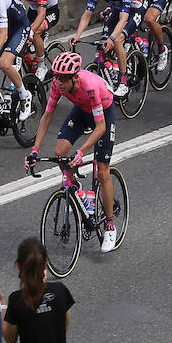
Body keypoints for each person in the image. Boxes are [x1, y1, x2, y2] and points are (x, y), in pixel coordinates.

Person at [27, 52, 120, 251]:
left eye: (62, 78)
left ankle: (110, 224)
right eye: (56, 77)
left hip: (103, 114)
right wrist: (34, 151)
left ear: (75, 78)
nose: (58, 82)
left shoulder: (91, 87)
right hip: (81, 110)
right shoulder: (57, 85)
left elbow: (101, 127)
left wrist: (81, 152)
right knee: (60, 152)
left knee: (102, 170)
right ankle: (80, 193)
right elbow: (46, 117)